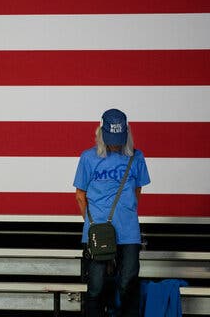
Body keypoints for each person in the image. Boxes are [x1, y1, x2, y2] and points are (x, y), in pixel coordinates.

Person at [73, 109, 151, 316]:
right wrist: (93, 224)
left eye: (119, 138)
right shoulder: (88, 158)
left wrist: (124, 215)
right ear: (100, 133)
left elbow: (137, 192)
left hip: (128, 233)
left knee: (129, 283)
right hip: (98, 232)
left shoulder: (137, 157)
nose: (115, 143)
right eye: (111, 138)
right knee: (96, 289)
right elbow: (80, 195)